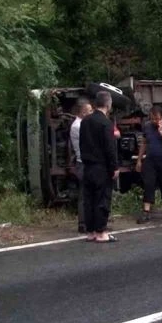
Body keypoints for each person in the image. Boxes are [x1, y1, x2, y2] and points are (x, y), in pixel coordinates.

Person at [80, 91, 119, 243]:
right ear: (108, 104)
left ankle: (90, 231)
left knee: (89, 200)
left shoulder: (85, 121)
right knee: (102, 199)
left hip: (87, 165)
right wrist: (114, 167)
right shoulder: (106, 123)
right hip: (101, 167)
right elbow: (110, 148)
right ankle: (101, 232)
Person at [136, 106, 162, 223]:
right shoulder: (147, 126)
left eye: (157, 119)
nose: (155, 121)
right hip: (151, 160)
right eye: (153, 119)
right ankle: (146, 211)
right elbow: (144, 143)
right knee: (148, 183)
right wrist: (139, 160)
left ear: (161, 117)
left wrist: (161, 132)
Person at [70, 98, 93, 233]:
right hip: (83, 163)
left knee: (86, 194)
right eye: (89, 111)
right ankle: (83, 223)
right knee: (84, 194)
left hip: (82, 162)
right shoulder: (79, 126)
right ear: (83, 112)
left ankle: (86, 221)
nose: (91, 113)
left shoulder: (79, 124)